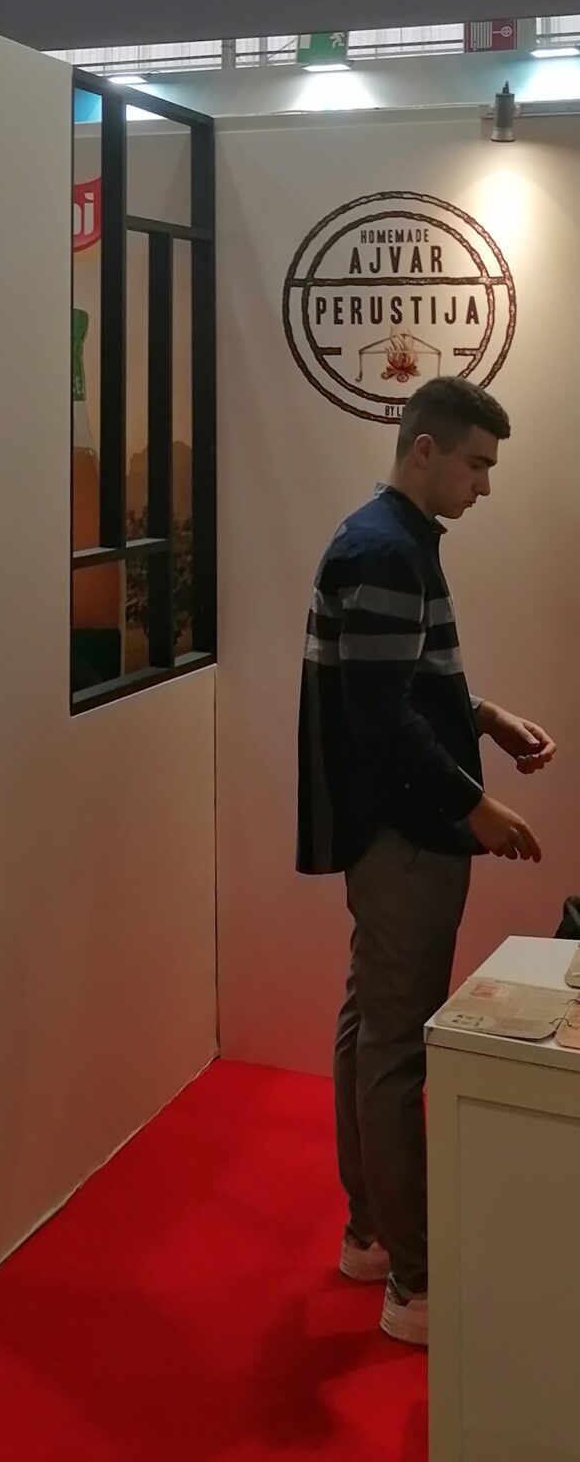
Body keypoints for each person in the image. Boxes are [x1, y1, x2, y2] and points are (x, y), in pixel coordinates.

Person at [297, 376, 555, 1349]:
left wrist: (482, 716)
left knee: (370, 1029)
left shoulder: (389, 540)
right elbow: (380, 718)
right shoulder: (385, 550)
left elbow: (401, 681)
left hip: (390, 832)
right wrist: (473, 803)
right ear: (424, 450)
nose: (483, 485)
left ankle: (371, 1235)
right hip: (404, 836)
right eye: (476, 464)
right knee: (395, 1047)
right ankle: (413, 1283)